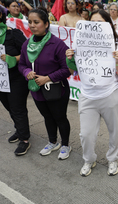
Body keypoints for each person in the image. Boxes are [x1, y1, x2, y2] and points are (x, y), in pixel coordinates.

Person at [66, 9, 118, 176]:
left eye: (99, 24)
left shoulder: (116, 47)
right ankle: (89, 159)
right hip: (88, 96)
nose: (95, 27)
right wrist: (70, 59)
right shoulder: (79, 45)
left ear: (108, 26)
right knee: (86, 134)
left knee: (114, 131)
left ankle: (113, 158)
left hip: (110, 95)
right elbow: (72, 71)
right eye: (92, 23)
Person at [18, 8, 72, 160]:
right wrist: (26, 71)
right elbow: (21, 64)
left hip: (56, 90)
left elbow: (67, 69)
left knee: (60, 117)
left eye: (36, 22)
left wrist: (47, 78)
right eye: (30, 22)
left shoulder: (57, 44)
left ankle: (66, 144)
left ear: (46, 24)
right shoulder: (26, 44)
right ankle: (52, 142)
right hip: (37, 90)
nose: (32, 25)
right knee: (47, 117)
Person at [0, 6, 30, 156]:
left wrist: (13, 58)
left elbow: (28, 53)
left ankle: (24, 139)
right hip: (1, 80)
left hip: (16, 79)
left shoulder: (13, 33)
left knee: (17, 109)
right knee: (9, 107)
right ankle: (19, 129)